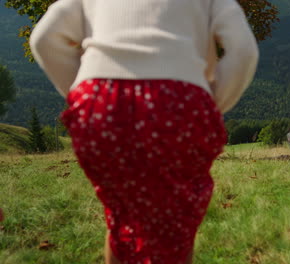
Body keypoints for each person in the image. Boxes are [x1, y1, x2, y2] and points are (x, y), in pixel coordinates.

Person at [30, 0, 259, 263]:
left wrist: (83, 95)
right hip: (180, 102)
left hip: (100, 103)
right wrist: (210, 104)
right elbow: (243, 52)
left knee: (121, 212)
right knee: (177, 221)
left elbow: (43, 39)